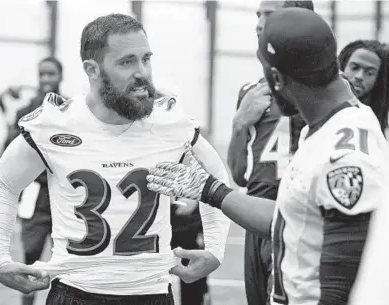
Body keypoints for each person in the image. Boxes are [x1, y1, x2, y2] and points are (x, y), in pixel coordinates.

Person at [147, 8, 389, 305]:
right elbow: (291, 217)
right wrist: (210, 189)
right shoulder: (326, 127)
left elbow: (342, 279)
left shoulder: (346, 151)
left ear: (275, 77)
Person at [0, 13, 230, 305]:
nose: (142, 72)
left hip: (150, 293)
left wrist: (215, 249)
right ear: (93, 70)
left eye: (146, 59)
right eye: (127, 62)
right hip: (75, 292)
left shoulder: (170, 121)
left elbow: (216, 175)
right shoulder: (55, 124)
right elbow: (3, 184)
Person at [227, 1, 313, 304]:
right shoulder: (252, 90)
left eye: (269, 15)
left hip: (302, 223)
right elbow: (238, 174)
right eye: (257, 15)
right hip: (256, 219)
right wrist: (239, 124)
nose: (259, 23)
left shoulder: (327, 86)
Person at [0, 57, 65, 305]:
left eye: (51, 74)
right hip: (34, 196)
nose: (46, 80)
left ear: (60, 76)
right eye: (42, 74)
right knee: (30, 256)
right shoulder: (25, 112)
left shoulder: (71, 110)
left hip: (63, 196)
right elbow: (7, 159)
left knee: (65, 258)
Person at [338, 39, 389, 136]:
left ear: (378, 80)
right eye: (354, 67)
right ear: (342, 67)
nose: (359, 76)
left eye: (370, 73)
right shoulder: (315, 108)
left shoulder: (376, 123)